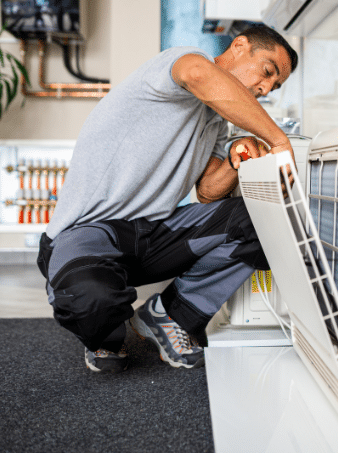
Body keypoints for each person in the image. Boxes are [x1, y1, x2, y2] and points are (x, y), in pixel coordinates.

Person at [36, 25, 298, 374]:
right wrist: (278, 141)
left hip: (151, 234)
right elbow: (197, 74)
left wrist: (237, 157)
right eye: (267, 72)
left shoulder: (217, 123)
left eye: (274, 86)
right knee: (95, 306)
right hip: (86, 236)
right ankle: (106, 333)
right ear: (239, 47)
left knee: (260, 220)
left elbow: (207, 192)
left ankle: (170, 313)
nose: (265, 88)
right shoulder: (182, 62)